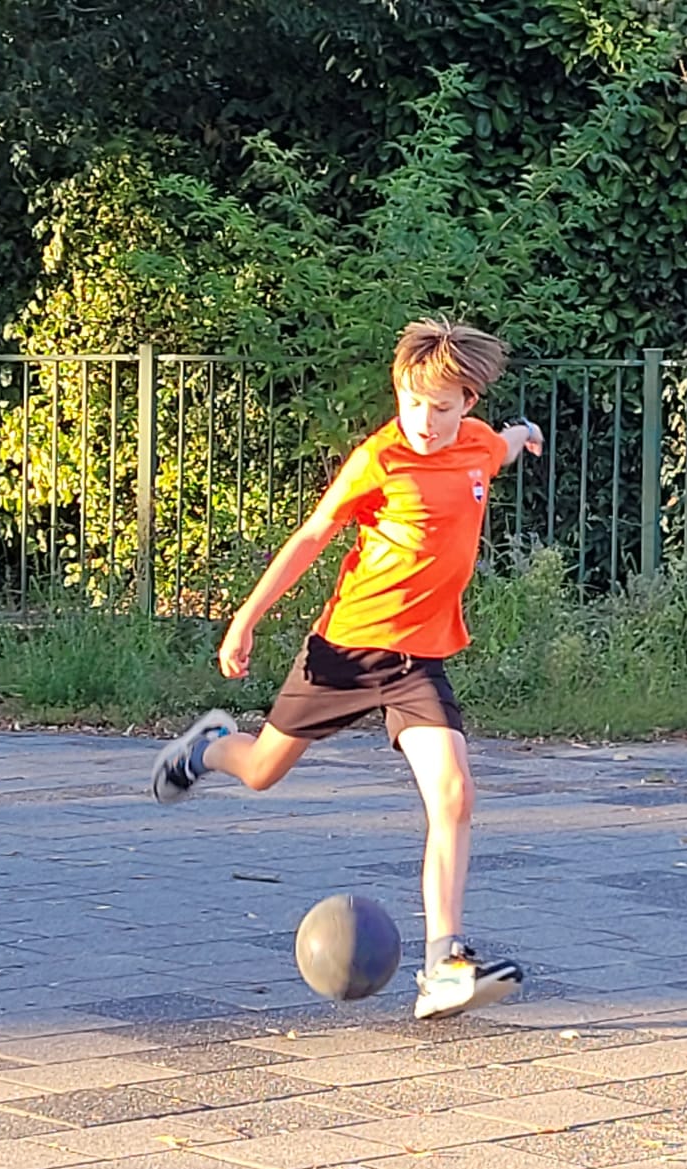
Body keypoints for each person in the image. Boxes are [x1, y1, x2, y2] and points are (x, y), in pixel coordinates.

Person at [150, 318, 542, 1021]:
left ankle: (444, 964)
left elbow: (497, 453)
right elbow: (311, 536)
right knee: (265, 769)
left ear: (469, 403)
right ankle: (208, 748)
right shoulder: (378, 460)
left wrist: (522, 435)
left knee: (453, 794)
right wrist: (245, 618)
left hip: (417, 659)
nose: (424, 421)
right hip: (345, 651)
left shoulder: (480, 444)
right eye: (412, 403)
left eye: (443, 408)